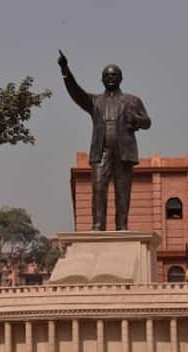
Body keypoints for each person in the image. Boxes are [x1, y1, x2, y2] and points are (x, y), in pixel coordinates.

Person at [58, 50, 151, 231]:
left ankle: (122, 226)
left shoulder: (132, 101)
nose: (110, 78)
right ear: (102, 79)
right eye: (107, 75)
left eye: (114, 75)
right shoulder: (95, 101)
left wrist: (136, 120)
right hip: (101, 151)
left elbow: (147, 122)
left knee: (122, 192)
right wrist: (65, 70)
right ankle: (98, 225)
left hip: (124, 152)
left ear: (121, 78)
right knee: (99, 189)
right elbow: (76, 92)